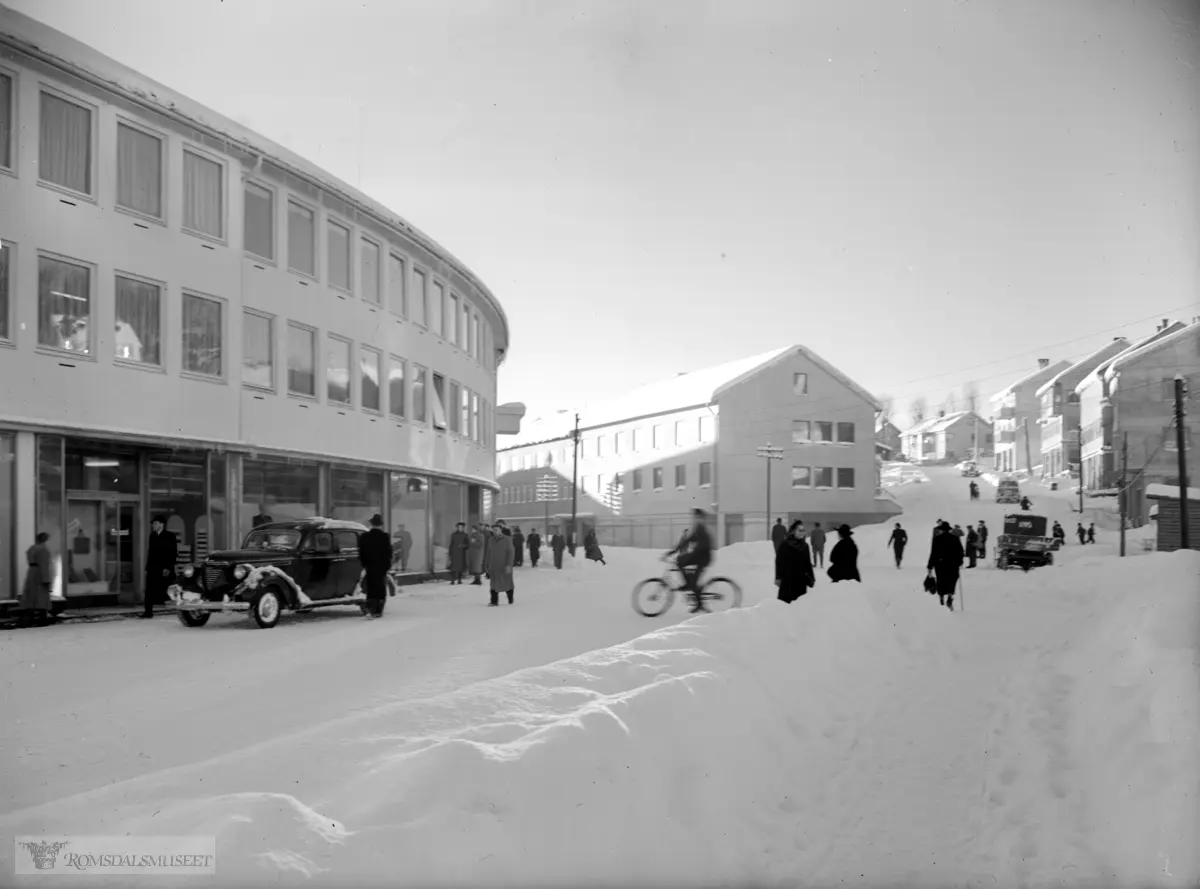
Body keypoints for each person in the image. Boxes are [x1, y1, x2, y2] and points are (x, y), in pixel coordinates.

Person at [667, 509, 714, 613]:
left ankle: (699, 603)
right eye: (695, 517)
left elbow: (700, 546)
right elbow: (688, 540)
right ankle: (689, 583)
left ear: (701, 518)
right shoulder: (698, 528)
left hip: (703, 557)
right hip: (699, 556)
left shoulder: (701, 529)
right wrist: (674, 551)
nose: (695, 519)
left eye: (697, 517)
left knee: (692, 580)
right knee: (681, 561)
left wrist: (688, 554)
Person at [140, 514, 177, 619]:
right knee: (149, 589)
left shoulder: (170, 536)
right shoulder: (152, 536)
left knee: (166, 588)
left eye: (155, 523)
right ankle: (148, 611)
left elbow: (172, 553)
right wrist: (147, 567)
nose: (153, 525)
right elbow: (150, 552)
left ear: (162, 524)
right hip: (153, 567)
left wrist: (168, 567)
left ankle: (175, 607)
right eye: (153, 523)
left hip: (164, 567)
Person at [358, 514, 394, 618]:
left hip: (369, 566)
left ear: (371, 524)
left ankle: (372, 608)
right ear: (380, 525)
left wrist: (365, 564)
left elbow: (361, 552)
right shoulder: (384, 537)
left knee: (371, 587)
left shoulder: (364, 537)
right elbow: (388, 553)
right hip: (381, 567)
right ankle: (379, 609)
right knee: (380, 587)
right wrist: (387, 566)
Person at [927, 521, 964, 611]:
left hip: (940, 564)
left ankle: (941, 597)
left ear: (941, 530)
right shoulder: (955, 539)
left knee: (941, 581)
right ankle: (950, 597)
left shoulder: (937, 539)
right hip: (953, 565)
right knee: (952, 581)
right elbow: (961, 552)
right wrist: (959, 562)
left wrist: (930, 565)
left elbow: (933, 553)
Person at [775, 520, 815, 603]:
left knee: (799, 603)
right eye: (799, 530)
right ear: (793, 531)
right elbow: (779, 561)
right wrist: (778, 577)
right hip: (788, 578)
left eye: (803, 530)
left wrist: (811, 577)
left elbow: (807, 562)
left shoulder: (805, 546)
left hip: (800, 579)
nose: (802, 532)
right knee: (785, 603)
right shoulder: (785, 544)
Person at [19, 532, 54, 627]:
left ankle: (26, 619)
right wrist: (47, 580)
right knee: (41, 599)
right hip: (39, 574)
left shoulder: (32, 548)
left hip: (31, 573)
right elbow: (44, 565)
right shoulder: (43, 550)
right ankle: (42, 619)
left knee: (30, 598)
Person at [485, 523, 515, 606]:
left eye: (496, 530)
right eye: (493, 530)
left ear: (500, 530)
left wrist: (509, 565)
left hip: (504, 566)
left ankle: (510, 598)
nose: (495, 532)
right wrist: (487, 564)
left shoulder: (507, 540)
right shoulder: (490, 540)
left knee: (507, 583)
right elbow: (488, 553)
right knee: (493, 584)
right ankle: (494, 601)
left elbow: (510, 553)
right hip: (494, 566)